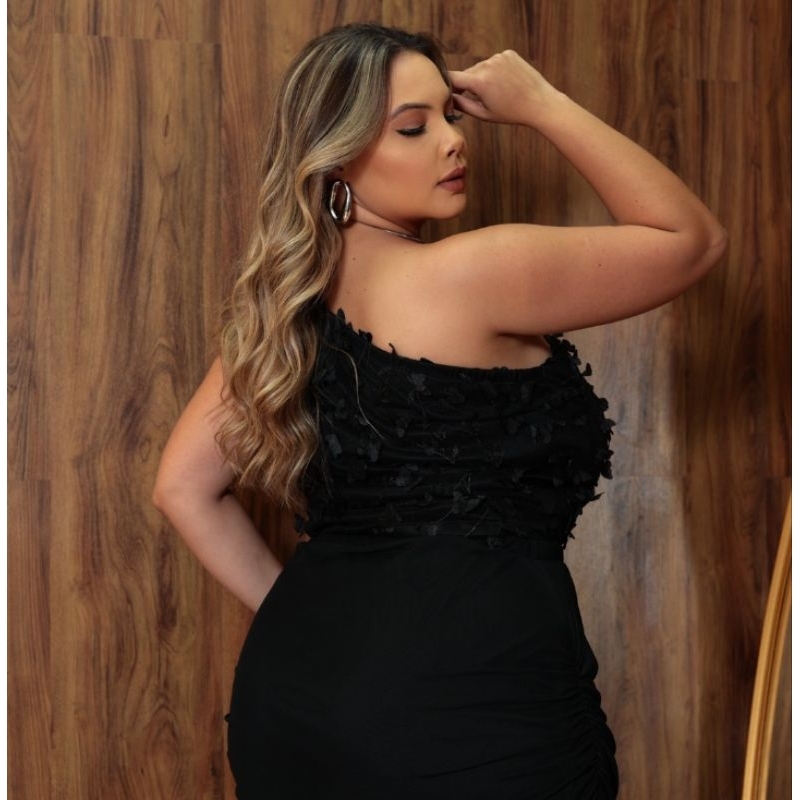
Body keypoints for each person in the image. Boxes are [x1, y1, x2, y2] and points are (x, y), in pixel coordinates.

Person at [152, 22, 726, 800]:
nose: (454, 141)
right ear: (335, 157)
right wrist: (542, 103)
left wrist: (303, 618)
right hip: (471, 718)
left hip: (295, 703)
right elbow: (691, 239)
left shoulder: (282, 319)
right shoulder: (476, 273)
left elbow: (181, 488)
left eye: (450, 116)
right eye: (412, 127)